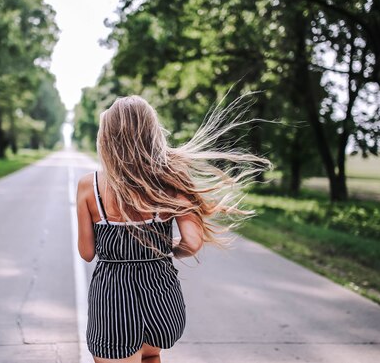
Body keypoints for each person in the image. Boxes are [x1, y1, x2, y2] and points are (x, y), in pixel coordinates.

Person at [76, 95, 270, 363]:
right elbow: (192, 242)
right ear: (151, 133)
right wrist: (162, 250)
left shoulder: (90, 187)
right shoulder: (172, 180)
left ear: (107, 138)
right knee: (150, 356)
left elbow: (86, 252)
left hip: (113, 304)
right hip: (162, 300)